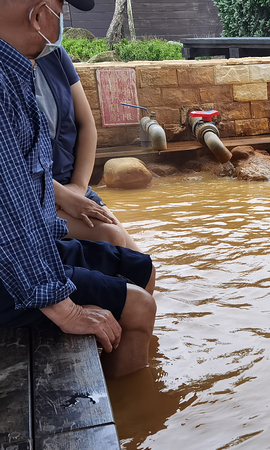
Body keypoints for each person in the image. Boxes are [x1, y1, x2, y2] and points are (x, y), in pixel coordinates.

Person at [0, 0, 156, 377]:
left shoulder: (18, 70)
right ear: (38, 15)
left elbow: (23, 186)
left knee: (142, 267)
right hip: (12, 270)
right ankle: (126, 422)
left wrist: (77, 195)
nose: (60, 27)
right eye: (60, 11)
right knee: (139, 305)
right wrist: (66, 309)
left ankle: (132, 364)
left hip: (34, 240)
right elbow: (8, 218)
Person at [36, 33, 141, 250]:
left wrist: (78, 187)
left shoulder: (53, 52)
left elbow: (86, 125)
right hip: (33, 194)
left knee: (144, 270)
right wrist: (64, 196)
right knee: (109, 236)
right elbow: (14, 162)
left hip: (73, 185)